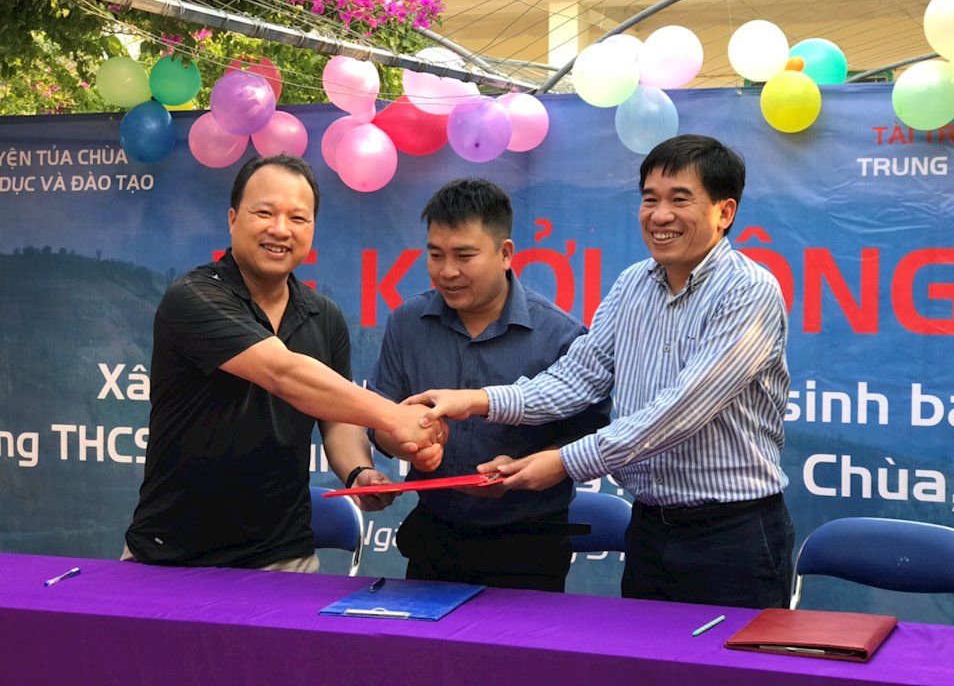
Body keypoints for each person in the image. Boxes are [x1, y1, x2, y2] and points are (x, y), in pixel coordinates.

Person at [408, 135, 795, 608]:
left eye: (679, 200)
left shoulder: (749, 291)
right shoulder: (633, 284)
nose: (660, 215)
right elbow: (576, 377)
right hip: (649, 529)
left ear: (724, 212)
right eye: (650, 199)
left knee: (732, 658)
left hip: (734, 537)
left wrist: (562, 462)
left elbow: (677, 414)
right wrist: (478, 401)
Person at [124, 154, 445, 571]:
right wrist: (396, 418)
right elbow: (283, 373)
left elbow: (337, 418)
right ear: (233, 219)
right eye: (265, 213)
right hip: (173, 556)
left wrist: (358, 473)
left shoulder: (324, 315)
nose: (280, 229)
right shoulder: (195, 296)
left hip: (286, 556)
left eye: (298, 218)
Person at [368, 178, 610, 592]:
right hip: (434, 540)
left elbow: (588, 437)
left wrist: (526, 470)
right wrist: (408, 444)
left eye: (464, 256)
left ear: (505, 253)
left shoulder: (561, 336)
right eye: (435, 255)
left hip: (530, 546)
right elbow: (379, 417)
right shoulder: (407, 323)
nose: (447, 272)